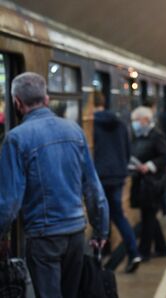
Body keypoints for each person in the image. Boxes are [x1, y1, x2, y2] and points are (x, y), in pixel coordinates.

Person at [0, 72, 109, 297]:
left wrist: (1, 234)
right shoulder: (75, 131)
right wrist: (100, 229)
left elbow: (9, 201)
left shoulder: (16, 138)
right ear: (47, 99)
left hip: (44, 237)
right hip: (76, 234)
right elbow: (93, 188)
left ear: (17, 102)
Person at [93, 91, 141, 273]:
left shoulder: (91, 124)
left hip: (99, 176)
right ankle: (134, 252)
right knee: (119, 216)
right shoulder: (120, 124)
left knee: (98, 217)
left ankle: (97, 259)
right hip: (118, 176)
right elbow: (128, 151)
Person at [129, 106, 166, 261]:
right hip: (143, 183)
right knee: (150, 216)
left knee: (148, 217)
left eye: (136, 120)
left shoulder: (156, 136)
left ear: (145, 120)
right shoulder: (140, 136)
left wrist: (149, 166)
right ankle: (162, 248)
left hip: (153, 183)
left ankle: (144, 251)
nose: (134, 124)